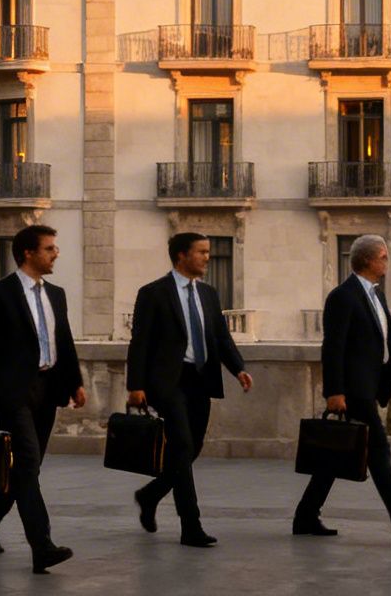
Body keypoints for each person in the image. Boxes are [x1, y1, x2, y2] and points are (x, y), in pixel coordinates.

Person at [292, 234, 391, 546]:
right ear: (369, 260)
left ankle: (305, 515)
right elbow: (333, 347)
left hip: (370, 385)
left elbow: (386, 344)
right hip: (353, 390)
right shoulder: (342, 296)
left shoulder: (377, 295)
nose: (387, 262)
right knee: (379, 451)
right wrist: (335, 390)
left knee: (336, 452)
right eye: (384, 257)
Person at [0, 223, 84, 574]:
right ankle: (42, 546)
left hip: (48, 389)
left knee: (25, 469)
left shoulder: (57, 294)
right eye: (49, 248)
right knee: (28, 462)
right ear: (28, 253)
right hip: (11, 392)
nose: (55, 253)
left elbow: (64, 340)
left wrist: (75, 382)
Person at [126, 231, 252, 547]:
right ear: (182, 255)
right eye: (202, 252)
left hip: (201, 379)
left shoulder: (209, 294)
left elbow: (222, 338)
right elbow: (139, 342)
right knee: (181, 445)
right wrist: (135, 386)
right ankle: (190, 526)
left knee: (191, 449)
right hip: (168, 381)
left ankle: (150, 494)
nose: (207, 258)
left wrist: (238, 369)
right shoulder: (153, 293)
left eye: (209, 252)